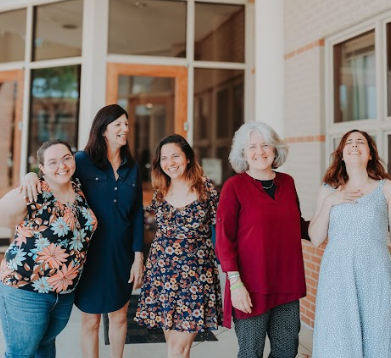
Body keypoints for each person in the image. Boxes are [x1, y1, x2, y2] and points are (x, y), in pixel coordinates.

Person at [21, 104, 144, 358]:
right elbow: (54, 174)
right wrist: (30, 176)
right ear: (103, 130)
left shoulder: (132, 166)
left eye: (127, 124)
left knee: (120, 318)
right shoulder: (81, 161)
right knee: (91, 321)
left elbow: (138, 214)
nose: (125, 129)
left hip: (121, 255)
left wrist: (138, 256)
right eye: (118, 124)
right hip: (89, 255)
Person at [215, 121, 310, 358]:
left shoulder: (287, 182)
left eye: (265, 145)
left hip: (286, 282)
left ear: (275, 149)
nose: (260, 152)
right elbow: (223, 238)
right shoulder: (234, 187)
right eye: (252, 147)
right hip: (251, 285)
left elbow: (297, 225)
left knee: (286, 351)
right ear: (243, 154)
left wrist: (334, 213)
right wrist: (235, 284)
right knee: (251, 352)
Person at [0, 139, 97, 357]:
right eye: (52, 162)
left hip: (63, 293)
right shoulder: (33, 192)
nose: (61, 166)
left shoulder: (78, 187)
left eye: (66, 158)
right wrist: (29, 177)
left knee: (45, 346)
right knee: (21, 353)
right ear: (42, 168)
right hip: (26, 290)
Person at [134, 134, 222, 358]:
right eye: (164, 158)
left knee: (179, 348)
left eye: (175, 156)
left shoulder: (206, 189)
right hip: (163, 275)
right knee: (173, 346)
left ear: (188, 157)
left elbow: (224, 228)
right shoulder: (160, 191)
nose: (170, 163)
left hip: (196, 277)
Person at [309, 129, 391, 357]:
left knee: (378, 332)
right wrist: (330, 203)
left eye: (361, 142)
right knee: (338, 336)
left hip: (376, 274)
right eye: (349, 143)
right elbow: (315, 238)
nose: (354, 145)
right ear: (342, 154)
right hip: (337, 275)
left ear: (370, 154)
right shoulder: (327, 190)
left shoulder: (386, 187)